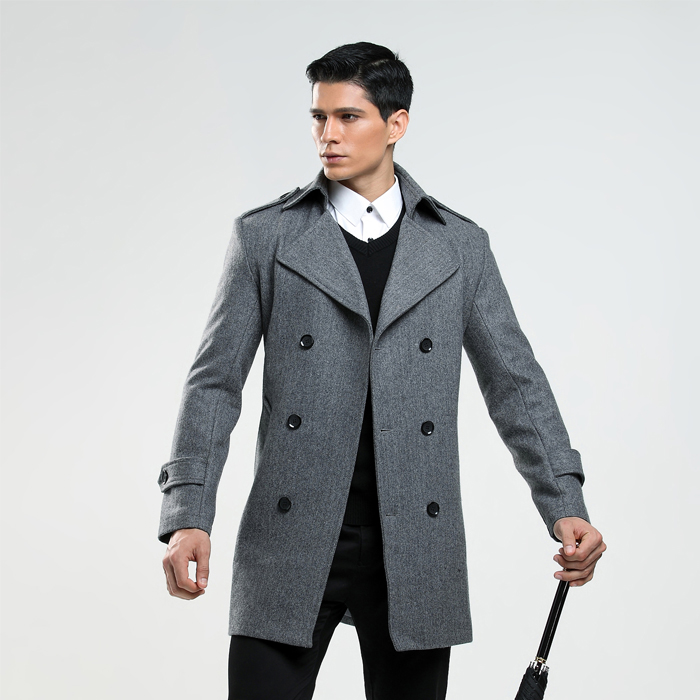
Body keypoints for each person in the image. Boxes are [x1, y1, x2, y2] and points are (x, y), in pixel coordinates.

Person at [157, 42, 606, 700]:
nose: (328, 135)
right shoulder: (267, 237)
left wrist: (563, 501)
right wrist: (187, 514)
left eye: (348, 117)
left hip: (415, 540)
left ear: (397, 124)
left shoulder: (458, 246)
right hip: (289, 535)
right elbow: (214, 384)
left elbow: (515, 384)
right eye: (318, 118)